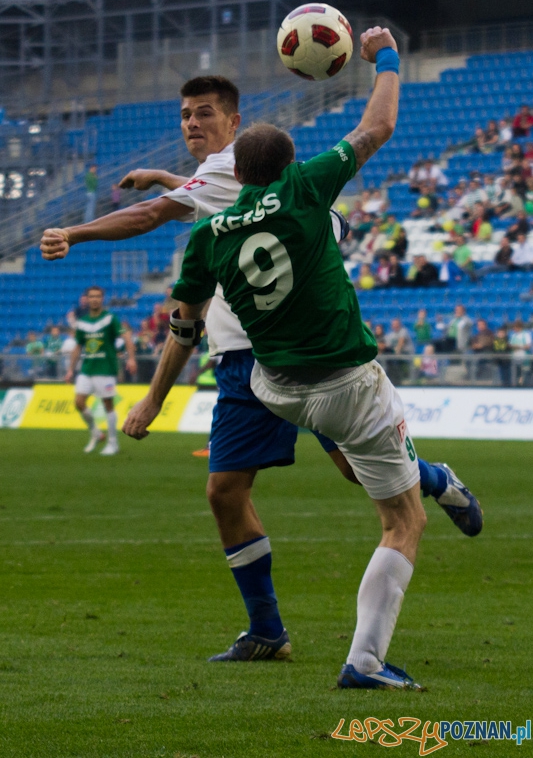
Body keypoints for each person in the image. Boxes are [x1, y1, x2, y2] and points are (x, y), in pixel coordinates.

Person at [41, 66, 481, 676]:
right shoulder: (260, 182)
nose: (192, 124)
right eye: (185, 116)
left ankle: (431, 477)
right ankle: (267, 629)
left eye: (204, 114)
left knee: (361, 476)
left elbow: (159, 227)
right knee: (225, 491)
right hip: (255, 365)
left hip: (280, 362)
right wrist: (168, 178)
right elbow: (206, 194)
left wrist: (76, 230)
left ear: (234, 122)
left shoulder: (224, 198)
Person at [65, 286, 137, 455]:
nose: (95, 299)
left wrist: (131, 359)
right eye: (91, 296)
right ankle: (96, 433)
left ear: (102, 298)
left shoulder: (110, 318)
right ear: (87, 299)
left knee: (108, 406)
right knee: (78, 402)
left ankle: (113, 443)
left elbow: (126, 336)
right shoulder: (82, 321)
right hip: (87, 368)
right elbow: (77, 347)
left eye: (98, 296)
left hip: (105, 368)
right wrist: (70, 369)